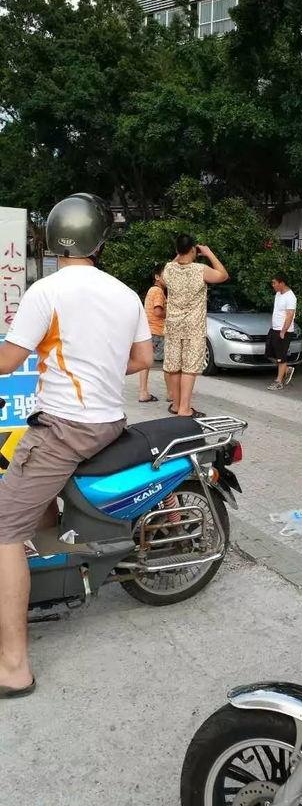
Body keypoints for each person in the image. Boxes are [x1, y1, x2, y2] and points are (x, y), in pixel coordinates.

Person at [0, 193, 153, 698]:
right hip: (108, 423)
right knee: (31, 498)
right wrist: (97, 367)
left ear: (53, 239)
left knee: (2, 530)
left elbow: (8, 359)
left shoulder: (46, 291)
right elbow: (142, 359)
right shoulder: (126, 294)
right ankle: (49, 569)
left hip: (65, 429)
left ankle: (13, 666)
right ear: (99, 241)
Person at [163, 235, 228, 417]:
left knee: (174, 365)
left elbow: (164, 278)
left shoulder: (169, 268)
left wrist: (179, 254)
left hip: (174, 325)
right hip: (193, 326)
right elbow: (223, 275)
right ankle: (185, 408)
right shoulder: (200, 270)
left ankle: (176, 405)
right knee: (189, 368)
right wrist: (208, 253)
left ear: (177, 250)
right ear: (193, 249)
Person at [139, 263, 167, 403]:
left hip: (149, 330)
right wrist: (172, 313)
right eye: (165, 275)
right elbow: (158, 311)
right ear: (157, 277)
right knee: (170, 363)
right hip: (158, 331)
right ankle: (172, 394)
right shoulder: (158, 292)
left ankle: (143, 392)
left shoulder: (151, 290)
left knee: (146, 363)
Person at [266, 273, 297, 390]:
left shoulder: (290, 297)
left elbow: (290, 315)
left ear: (282, 283)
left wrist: (283, 331)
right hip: (274, 329)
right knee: (269, 354)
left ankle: (279, 382)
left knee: (281, 357)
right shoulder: (278, 294)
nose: (273, 285)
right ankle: (287, 369)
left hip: (284, 331)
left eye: (274, 283)